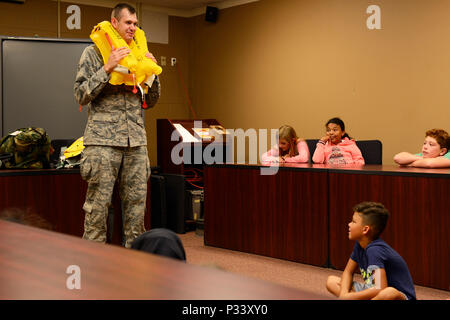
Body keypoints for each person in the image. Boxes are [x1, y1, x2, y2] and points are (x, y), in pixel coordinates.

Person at [74, 3, 160, 248]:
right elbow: (80, 94)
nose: (133, 27)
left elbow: (151, 101)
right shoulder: (93, 54)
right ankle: (93, 267)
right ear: (114, 23)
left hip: (136, 143)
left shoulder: (139, 55)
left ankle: (134, 268)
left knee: (136, 210)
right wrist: (107, 68)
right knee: (97, 210)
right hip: (102, 143)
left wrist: (153, 74)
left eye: (135, 24)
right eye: (128, 23)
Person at [326, 202, 416, 300]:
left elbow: (379, 288)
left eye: (353, 222)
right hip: (374, 293)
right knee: (331, 281)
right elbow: (348, 272)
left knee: (389, 292)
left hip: (397, 296)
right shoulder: (360, 244)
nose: (349, 224)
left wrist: (350, 296)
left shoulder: (375, 251)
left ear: (365, 229)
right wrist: (344, 295)